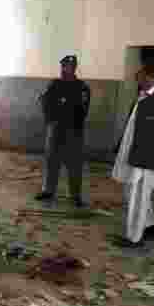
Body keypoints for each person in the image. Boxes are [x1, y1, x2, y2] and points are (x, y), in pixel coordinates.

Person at [111, 62, 154, 248]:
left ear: (150, 77)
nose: (137, 79)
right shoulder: (142, 98)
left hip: (147, 158)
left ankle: (134, 238)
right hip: (135, 153)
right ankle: (151, 225)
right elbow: (132, 127)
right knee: (130, 191)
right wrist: (120, 145)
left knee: (139, 196)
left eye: (139, 76)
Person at [35, 54, 91, 206]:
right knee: (52, 160)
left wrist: (68, 112)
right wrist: (51, 121)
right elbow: (45, 102)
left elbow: (84, 109)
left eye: (68, 66)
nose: (65, 69)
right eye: (63, 66)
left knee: (74, 163)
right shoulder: (54, 84)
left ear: (74, 68)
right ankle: (48, 190)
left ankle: (75, 195)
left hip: (74, 130)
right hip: (56, 128)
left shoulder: (82, 87)